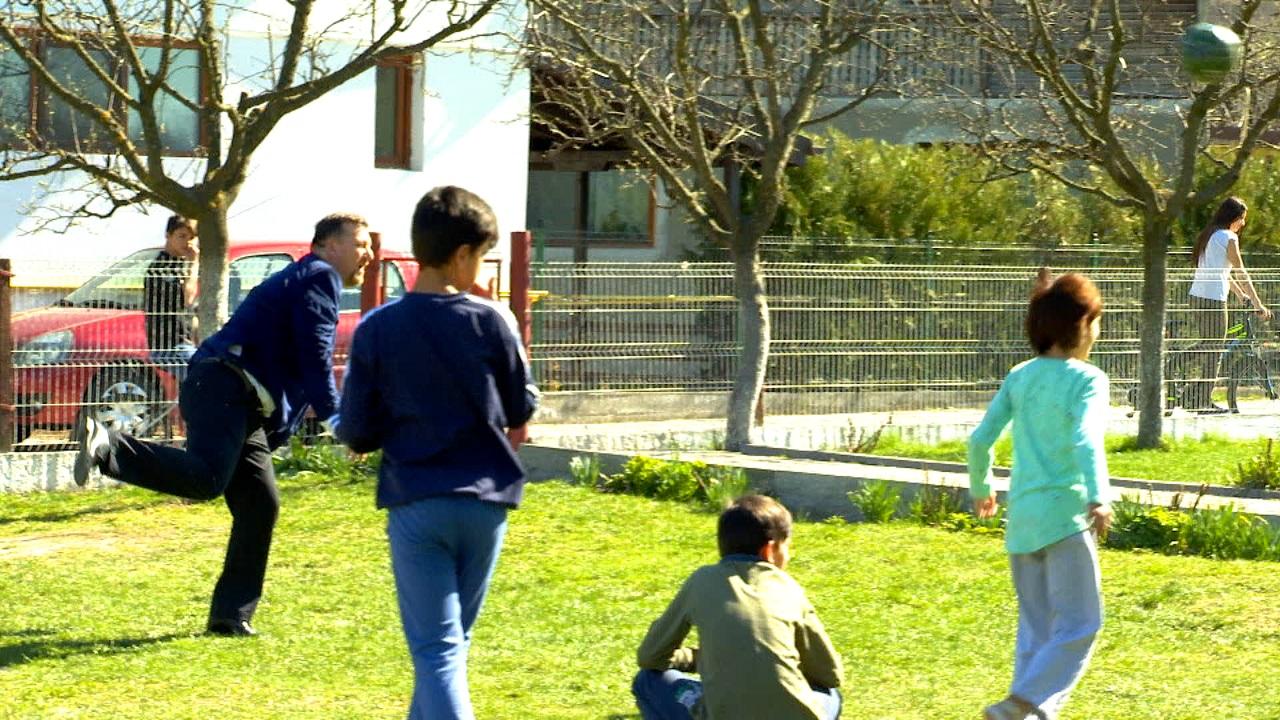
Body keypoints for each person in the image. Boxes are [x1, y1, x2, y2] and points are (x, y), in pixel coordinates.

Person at [73, 213, 373, 636]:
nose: (369, 254)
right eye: (361, 244)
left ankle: (230, 618)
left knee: (259, 504)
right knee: (207, 478)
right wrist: (339, 421)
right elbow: (316, 358)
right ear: (330, 245)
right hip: (225, 385)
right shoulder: (319, 276)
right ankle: (109, 446)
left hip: (234, 395)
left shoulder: (308, 276)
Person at [334, 186, 537, 720]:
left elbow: (357, 430)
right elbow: (521, 406)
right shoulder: (493, 319)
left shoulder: (378, 327)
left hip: (418, 500)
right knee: (448, 648)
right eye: (483, 255)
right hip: (487, 502)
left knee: (438, 651)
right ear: (463, 254)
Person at [968, 269, 1113, 720]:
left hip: (1022, 521)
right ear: (1082, 324)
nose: (1098, 331)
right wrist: (1098, 497)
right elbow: (1086, 438)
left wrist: (982, 487)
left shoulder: (1020, 376)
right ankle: (1023, 702)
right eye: (1097, 321)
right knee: (1081, 623)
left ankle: (1021, 712)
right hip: (1065, 519)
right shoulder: (1088, 380)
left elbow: (980, 440)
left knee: (1036, 629)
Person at [631, 495, 843, 720]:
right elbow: (829, 675)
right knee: (830, 694)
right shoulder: (789, 588)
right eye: (788, 547)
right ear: (770, 550)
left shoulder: (701, 581)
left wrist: (698, 658)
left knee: (647, 680)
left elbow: (650, 657)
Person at [1185, 196, 1272, 413]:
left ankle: (1186, 382)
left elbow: (1223, 272)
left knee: (1209, 345)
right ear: (1233, 217)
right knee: (1214, 349)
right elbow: (1241, 273)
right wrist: (1258, 304)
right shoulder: (1229, 238)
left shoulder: (1210, 234)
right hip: (1213, 300)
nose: (1243, 223)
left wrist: (1241, 295)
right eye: (1242, 218)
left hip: (1197, 297)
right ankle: (1201, 400)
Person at [143, 215, 199, 383]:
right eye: (182, 236)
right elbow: (187, 298)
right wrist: (194, 263)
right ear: (168, 235)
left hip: (185, 342)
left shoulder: (180, 263)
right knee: (203, 378)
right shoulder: (162, 267)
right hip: (169, 346)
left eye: (191, 238)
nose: (187, 242)